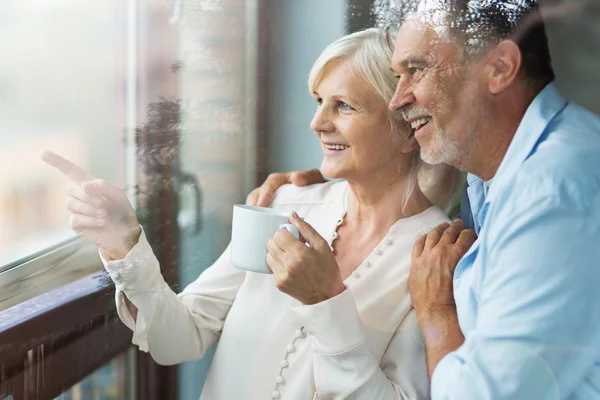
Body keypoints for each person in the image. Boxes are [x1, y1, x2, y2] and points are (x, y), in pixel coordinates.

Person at [42, 28, 463, 399]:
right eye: (319, 101)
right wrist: (125, 243)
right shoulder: (282, 206)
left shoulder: (434, 259)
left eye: (344, 106)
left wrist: (327, 303)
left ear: (408, 128)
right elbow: (180, 336)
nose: (317, 122)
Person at [248, 1, 600, 399]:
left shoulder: (553, 192)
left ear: (500, 69)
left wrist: (436, 313)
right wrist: (340, 182)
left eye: (415, 70)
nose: (397, 100)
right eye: (397, 76)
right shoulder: (500, 180)